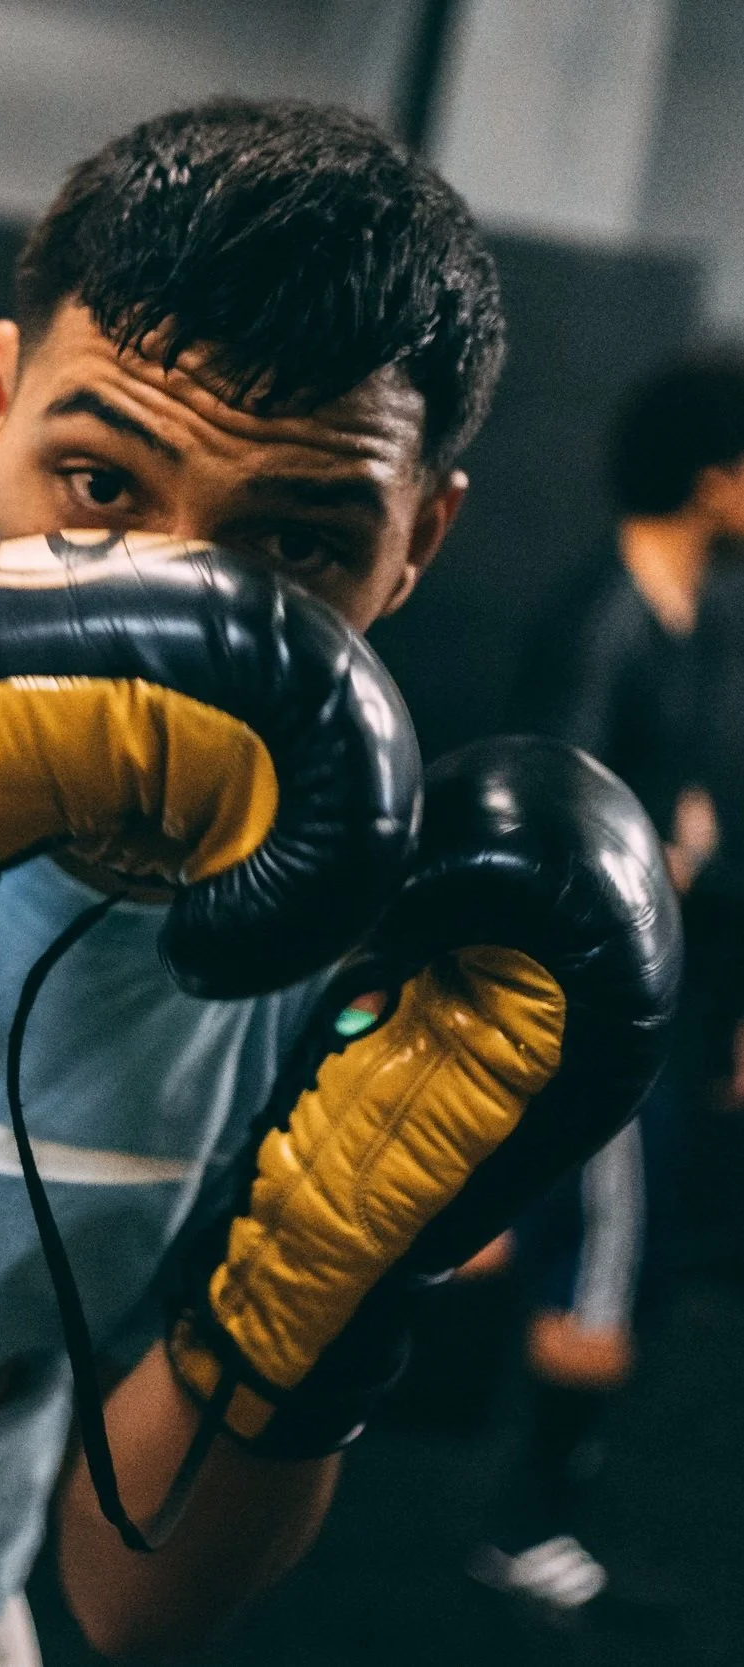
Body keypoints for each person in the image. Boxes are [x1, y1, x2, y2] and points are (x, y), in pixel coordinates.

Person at [0, 98, 507, 1667]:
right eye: (102, 490)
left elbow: (135, 1597)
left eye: (292, 551)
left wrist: (326, 1286)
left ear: (415, 550)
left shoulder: (373, 925)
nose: (170, 645)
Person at [468, 352, 744, 1624]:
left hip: (660, 1016)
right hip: (588, 1026)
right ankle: (527, 1525)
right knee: (601, 1267)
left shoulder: (700, 619)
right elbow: (546, 849)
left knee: (544, 1249)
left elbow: (686, 821)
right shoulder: (606, 619)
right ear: (713, 477)